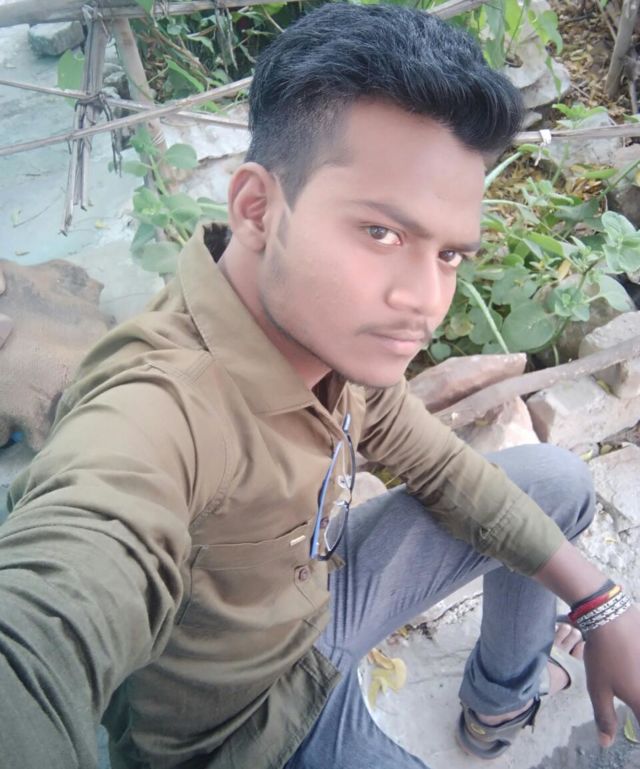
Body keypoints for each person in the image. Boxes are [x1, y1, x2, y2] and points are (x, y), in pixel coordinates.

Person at [1, 4, 639, 768]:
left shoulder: (325, 337)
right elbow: (47, 622)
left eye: (449, 255)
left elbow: (441, 464)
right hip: (250, 730)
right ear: (257, 209)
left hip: (318, 607)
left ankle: (499, 705)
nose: (425, 300)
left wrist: (601, 601)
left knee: (555, 481)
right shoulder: (157, 411)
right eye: (382, 232)